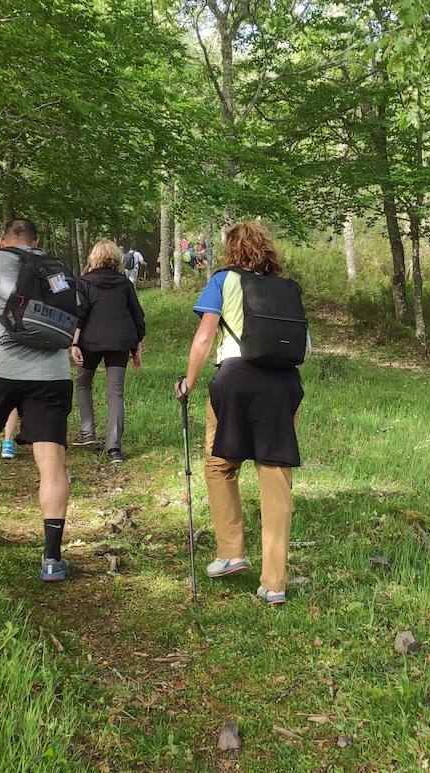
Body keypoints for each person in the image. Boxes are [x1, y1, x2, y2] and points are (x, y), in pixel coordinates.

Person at [175, 222, 305, 605]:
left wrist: (190, 380)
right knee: (275, 476)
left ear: (231, 249)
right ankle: (275, 583)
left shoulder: (222, 281)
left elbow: (204, 336)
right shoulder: (288, 289)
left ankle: (231, 551)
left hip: (235, 380)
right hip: (284, 385)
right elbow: (303, 343)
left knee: (220, 463)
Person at [0, 218, 75, 582]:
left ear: (2, 240)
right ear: (36, 242)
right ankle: (52, 559)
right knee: (52, 459)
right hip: (52, 373)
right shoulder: (58, 269)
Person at [72, 240, 146, 464]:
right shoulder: (124, 284)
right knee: (115, 393)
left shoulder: (83, 283)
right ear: (116, 258)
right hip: (119, 342)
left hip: (89, 342)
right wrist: (137, 347)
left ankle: (88, 433)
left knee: (84, 383)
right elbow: (137, 317)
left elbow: (79, 314)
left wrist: (74, 344)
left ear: (94, 257)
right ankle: (114, 448)